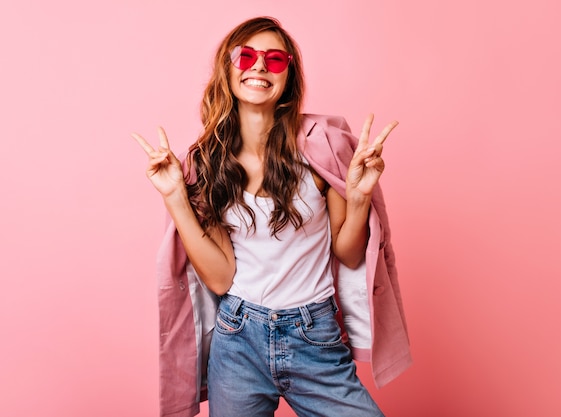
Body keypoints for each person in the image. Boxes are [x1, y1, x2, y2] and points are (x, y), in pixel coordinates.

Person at [133, 16, 411, 417]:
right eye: (245, 55)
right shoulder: (207, 164)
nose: (259, 66)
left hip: (313, 337)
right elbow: (220, 276)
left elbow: (348, 254)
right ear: (227, 70)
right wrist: (175, 196)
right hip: (237, 339)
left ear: (288, 75)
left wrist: (359, 198)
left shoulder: (322, 149)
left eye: (275, 60)